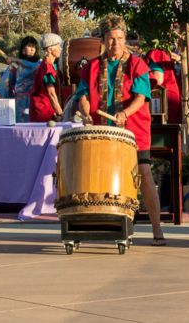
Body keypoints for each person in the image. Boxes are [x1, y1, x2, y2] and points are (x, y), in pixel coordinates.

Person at [73, 16, 166, 245]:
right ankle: (112, 224)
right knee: (103, 175)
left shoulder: (137, 64)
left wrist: (125, 113)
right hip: (103, 129)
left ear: (125, 39)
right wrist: (85, 109)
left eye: (120, 39)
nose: (116, 44)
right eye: (111, 39)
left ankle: (157, 229)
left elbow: (141, 97)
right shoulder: (93, 66)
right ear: (104, 40)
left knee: (143, 173)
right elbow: (83, 95)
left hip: (134, 129)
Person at [0, 36, 41, 123]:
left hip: (36, 101)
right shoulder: (15, 66)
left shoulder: (40, 64)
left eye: (34, 46)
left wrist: (15, 59)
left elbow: (33, 67)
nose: (32, 49)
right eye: (29, 46)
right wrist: (5, 97)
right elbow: (6, 84)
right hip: (20, 102)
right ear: (23, 49)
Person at [28, 33, 65, 123]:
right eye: (58, 46)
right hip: (43, 111)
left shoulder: (51, 66)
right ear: (50, 49)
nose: (60, 48)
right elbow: (51, 93)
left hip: (45, 109)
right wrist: (61, 113)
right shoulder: (46, 68)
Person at [145, 42, 181, 126]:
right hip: (168, 97)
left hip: (162, 100)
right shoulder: (163, 53)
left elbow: (157, 80)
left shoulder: (157, 53)